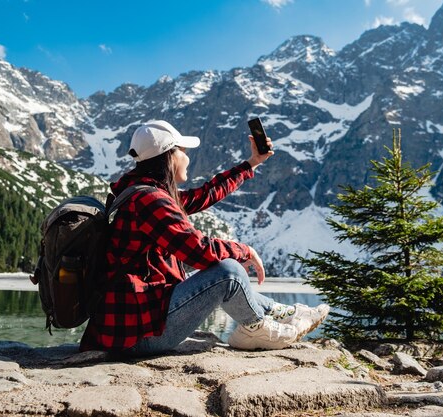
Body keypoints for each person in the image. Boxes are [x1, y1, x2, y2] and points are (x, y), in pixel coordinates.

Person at [80, 120, 329, 356]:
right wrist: (245, 250)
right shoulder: (149, 200)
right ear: (170, 156)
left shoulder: (142, 192)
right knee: (228, 272)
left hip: (132, 324)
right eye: (183, 151)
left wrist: (252, 163)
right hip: (137, 335)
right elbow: (200, 252)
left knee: (216, 273)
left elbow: (204, 195)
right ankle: (255, 329)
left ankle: (280, 312)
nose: (187, 157)